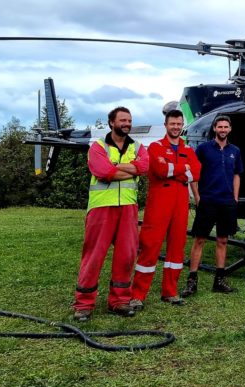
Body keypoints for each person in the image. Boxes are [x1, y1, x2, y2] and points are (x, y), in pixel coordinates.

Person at [73, 107, 149, 322]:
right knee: (94, 255)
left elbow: (143, 167)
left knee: (126, 256)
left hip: (128, 207)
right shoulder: (97, 147)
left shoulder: (139, 147)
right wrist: (128, 169)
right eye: (123, 120)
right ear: (111, 123)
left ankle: (119, 301)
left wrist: (116, 167)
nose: (127, 123)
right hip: (101, 208)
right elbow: (103, 172)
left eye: (129, 120)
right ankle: (84, 304)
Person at [129, 109, 201, 309]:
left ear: (182, 126)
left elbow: (195, 174)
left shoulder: (188, 150)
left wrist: (174, 169)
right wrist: (182, 169)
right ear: (166, 125)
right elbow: (160, 171)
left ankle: (170, 291)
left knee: (177, 248)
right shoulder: (155, 146)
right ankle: (138, 295)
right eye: (172, 124)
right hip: (159, 205)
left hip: (180, 206)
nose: (176, 127)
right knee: (150, 247)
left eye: (179, 124)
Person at [181, 114, 243, 296]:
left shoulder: (235, 151)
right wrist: (197, 196)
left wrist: (235, 198)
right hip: (207, 200)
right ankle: (192, 280)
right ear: (214, 129)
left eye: (226, 127)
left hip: (227, 202)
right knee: (199, 240)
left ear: (230, 129)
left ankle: (219, 280)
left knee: (223, 240)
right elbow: (193, 172)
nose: (223, 130)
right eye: (220, 127)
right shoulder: (203, 149)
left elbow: (237, 175)